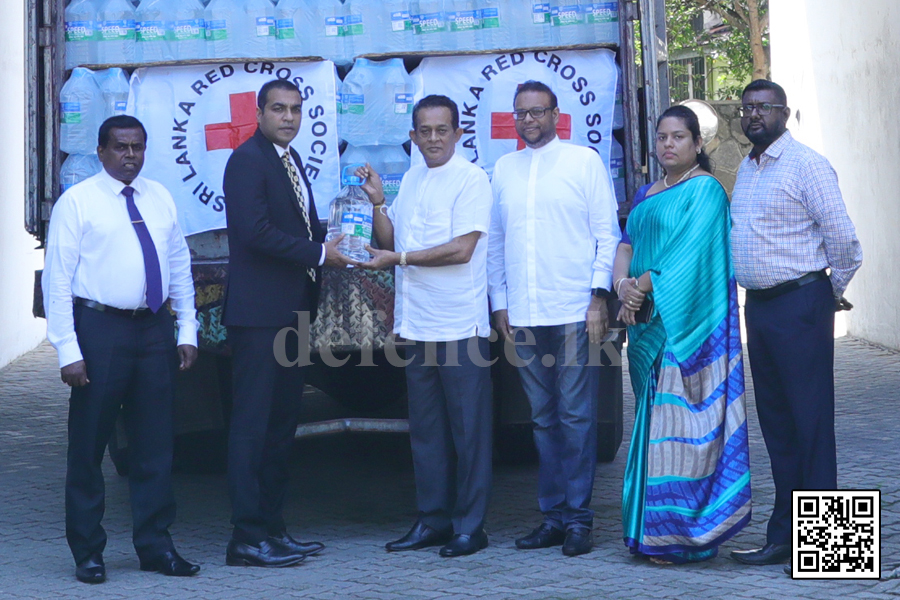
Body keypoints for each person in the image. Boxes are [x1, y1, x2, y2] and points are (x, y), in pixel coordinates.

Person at [42, 115, 201, 583]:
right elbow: (57, 281)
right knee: (89, 445)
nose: (130, 156)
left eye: (137, 147)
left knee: (155, 445)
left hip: (152, 329)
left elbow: (178, 264)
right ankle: (88, 553)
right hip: (100, 328)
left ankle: (156, 547)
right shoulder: (78, 202)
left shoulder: (160, 197)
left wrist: (187, 329)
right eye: (121, 147)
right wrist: (66, 348)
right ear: (101, 151)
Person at [729, 80, 862, 568]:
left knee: (811, 425)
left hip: (801, 304)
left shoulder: (808, 165)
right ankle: (783, 538)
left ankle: (833, 553)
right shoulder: (747, 168)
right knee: (779, 427)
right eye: (747, 108)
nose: (754, 114)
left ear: (786, 112)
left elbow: (845, 241)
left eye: (764, 107)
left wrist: (826, 295)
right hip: (760, 309)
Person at [354, 95, 494, 558]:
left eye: (442, 130)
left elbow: (461, 249)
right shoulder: (412, 179)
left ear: (458, 133)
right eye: (425, 131)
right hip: (417, 326)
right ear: (412, 137)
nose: (433, 138)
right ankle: (432, 521)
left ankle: (470, 527)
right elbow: (392, 240)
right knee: (427, 432)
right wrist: (378, 204)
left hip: (459, 326)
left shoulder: (472, 180)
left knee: (469, 432)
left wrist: (400, 259)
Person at [613, 105, 752, 565]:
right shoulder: (646, 193)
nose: (668, 144)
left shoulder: (706, 191)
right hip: (646, 324)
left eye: (678, 137)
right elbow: (626, 244)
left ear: (697, 144)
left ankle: (684, 535)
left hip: (686, 325)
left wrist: (641, 288)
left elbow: (687, 256)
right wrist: (622, 285)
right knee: (652, 426)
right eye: (662, 137)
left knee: (682, 427)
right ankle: (647, 531)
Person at [222, 79, 353, 568]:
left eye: (296, 110)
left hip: (294, 312)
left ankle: (272, 530)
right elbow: (252, 232)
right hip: (259, 318)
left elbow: (302, 225)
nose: (289, 118)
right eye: (279, 109)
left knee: (281, 427)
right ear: (259, 113)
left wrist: (345, 232)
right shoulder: (247, 161)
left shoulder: (289, 160)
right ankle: (245, 538)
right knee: (252, 427)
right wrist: (322, 252)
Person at [487, 80, 620, 557]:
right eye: (521, 113)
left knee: (576, 416)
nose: (529, 120)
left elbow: (607, 234)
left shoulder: (583, 162)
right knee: (542, 420)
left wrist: (597, 299)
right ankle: (553, 518)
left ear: (556, 114)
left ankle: (580, 521)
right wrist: (499, 302)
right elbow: (496, 243)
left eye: (538, 112)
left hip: (573, 312)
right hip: (522, 313)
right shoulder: (503, 168)